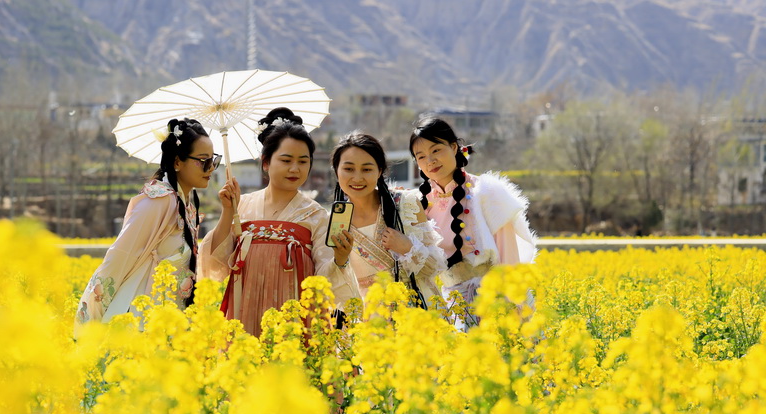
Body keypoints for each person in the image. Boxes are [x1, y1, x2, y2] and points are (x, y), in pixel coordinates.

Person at [200, 107, 358, 336]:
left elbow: (324, 276)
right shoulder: (241, 206)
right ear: (266, 162)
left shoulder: (315, 215)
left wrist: (341, 259)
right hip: (245, 310)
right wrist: (227, 211)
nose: (295, 168)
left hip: (294, 318)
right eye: (286, 160)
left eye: (303, 161)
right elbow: (215, 263)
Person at [75, 117, 217, 330]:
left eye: (214, 160)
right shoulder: (158, 201)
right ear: (177, 162)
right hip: (141, 323)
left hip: (171, 324)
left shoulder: (189, 202)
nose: (211, 168)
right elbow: (121, 255)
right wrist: (88, 320)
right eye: (203, 160)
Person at [408, 116, 537, 328]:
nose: (429, 161)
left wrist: (513, 305)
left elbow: (509, 257)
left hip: (496, 300)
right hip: (453, 306)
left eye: (436, 150)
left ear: (453, 147)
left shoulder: (487, 192)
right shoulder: (418, 204)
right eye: (420, 156)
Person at [330, 131, 445, 302]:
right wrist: (339, 259)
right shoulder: (333, 223)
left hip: (419, 315)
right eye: (348, 169)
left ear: (379, 171)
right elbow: (334, 287)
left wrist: (408, 247)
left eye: (367, 169)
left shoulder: (406, 204)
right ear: (336, 171)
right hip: (372, 320)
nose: (357, 177)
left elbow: (436, 267)